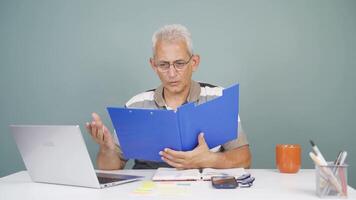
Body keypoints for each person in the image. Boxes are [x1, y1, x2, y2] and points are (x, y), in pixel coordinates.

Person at [86, 24, 251, 170]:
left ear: (194, 62)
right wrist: (107, 149)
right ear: (153, 65)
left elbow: (244, 158)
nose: (172, 73)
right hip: (148, 192)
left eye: (179, 64)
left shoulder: (218, 98)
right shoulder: (136, 105)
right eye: (163, 65)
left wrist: (209, 159)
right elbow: (110, 167)